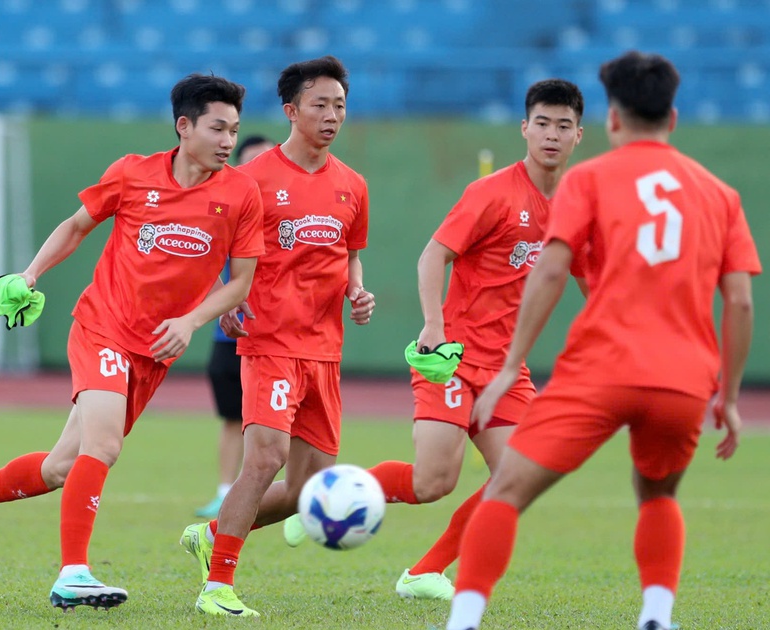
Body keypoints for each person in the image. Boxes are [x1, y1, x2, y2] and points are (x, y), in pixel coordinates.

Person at [445, 51, 759, 630]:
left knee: (507, 490)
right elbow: (739, 301)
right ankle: (657, 614)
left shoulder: (587, 179)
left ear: (612, 119)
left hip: (601, 371)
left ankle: (464, 619)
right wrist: (731, 396)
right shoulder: (720, 194)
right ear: (674, 116)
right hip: (683, 379)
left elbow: (550, 270)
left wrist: (510, 365)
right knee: (658, 494)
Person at [0, 73, 265, 610]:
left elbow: (242, 283)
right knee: (104, 446)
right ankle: (73, 573)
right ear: (184, 127)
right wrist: (31, 273)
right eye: (218, 128)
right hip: (102, 325)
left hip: (154, 351)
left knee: (63, 468)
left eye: (234, 130)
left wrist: (194, 319)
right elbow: (76, 225)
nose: (229, 141)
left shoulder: (241, 193)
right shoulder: (133, 173)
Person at [304, 79, 586, 601]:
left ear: (579, 136)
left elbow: (593, 281)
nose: (551, 135)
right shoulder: (493, 192)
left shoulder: (577, 206)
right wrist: (433, 326)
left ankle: (423, 572)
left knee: (517, 478)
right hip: (452, 355)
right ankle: (327, 499)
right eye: (542, 123)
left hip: (508, 369)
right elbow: (433, 256)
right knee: (434, 482)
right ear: (525, 129)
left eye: (563, 126)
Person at [179, 55, 374, 617]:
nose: (332, 115)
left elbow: (350, 256)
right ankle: (217, 586)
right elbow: (212, 244)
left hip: (325, 350)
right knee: (265, 459)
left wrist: (357, 292)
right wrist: (219, 303)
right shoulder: (252, 178)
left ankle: (211, 533)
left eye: (340, 105)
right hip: (268, 341)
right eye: (320, 104)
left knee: (305, 493)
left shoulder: (353, 186)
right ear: (291, 110)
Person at [195, 134, 277, 520]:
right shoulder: (230, 207)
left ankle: (287, 495)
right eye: (251, 161)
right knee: (232, 416)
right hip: (230, 332)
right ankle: (225, 492)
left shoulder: (289, 211)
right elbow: (205, 254)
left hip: (279, 333)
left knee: (276, 423)